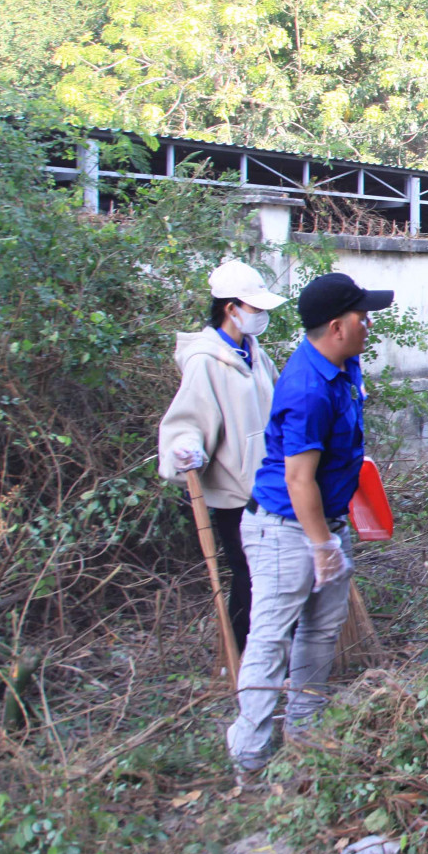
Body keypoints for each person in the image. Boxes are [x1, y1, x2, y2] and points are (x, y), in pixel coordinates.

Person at [226, 272, 392, 779]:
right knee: (271, 637)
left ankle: (305, 729)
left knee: (320, 631)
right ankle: (250, 754)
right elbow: (299, 481)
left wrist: (333, 534)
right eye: (362, 317)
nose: (368, 324)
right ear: (337, 326)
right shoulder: (306, 388)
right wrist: (321, 547)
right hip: (284, 529)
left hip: (326, 523)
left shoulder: (344, 365)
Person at [159, 260, 286, 655]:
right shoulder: (205, 360)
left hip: (269, 486)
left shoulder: (254, 353)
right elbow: (188, 418)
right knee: (249, 577)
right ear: (231, 309)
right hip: (234, 492)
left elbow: (280, 403)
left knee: (274, 577)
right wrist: (184, 446)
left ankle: (271, 655)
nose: (261, 316)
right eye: (255, 309)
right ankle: (243, 658)